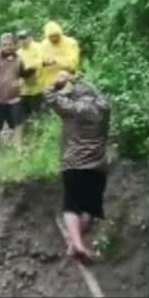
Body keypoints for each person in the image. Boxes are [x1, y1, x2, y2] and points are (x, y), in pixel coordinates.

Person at [44, 70, 111, 262]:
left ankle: (78, 245)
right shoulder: (104, 108)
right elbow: (99, 94)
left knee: (71, 206)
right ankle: (75, 245)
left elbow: (49, 96)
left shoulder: (71, 109)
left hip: (73, 163)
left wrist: (58, 83)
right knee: (89, 208)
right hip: (98, 165)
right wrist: (82, 80)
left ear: (75, 95)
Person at [39, 21, 80, 89]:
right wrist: (43, 63)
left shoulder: (71, 43)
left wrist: (56, 61)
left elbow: (73, 65)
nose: (54, 38)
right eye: (51, 37)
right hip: (48, 85)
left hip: (67, 83)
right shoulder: (42, 45)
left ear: (61, 33)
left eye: (56, 35)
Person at [16, 29, 44, 120]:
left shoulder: (38, 47)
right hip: (24, 88)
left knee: (38, 113)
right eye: (20, 38)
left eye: (24, 37)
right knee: (25, 114)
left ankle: (39, 131)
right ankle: (27, 131)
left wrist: (29, 67)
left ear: (30, 37)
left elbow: (40, 61)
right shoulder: (18, 53)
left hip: (38, 87)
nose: (23, 40)